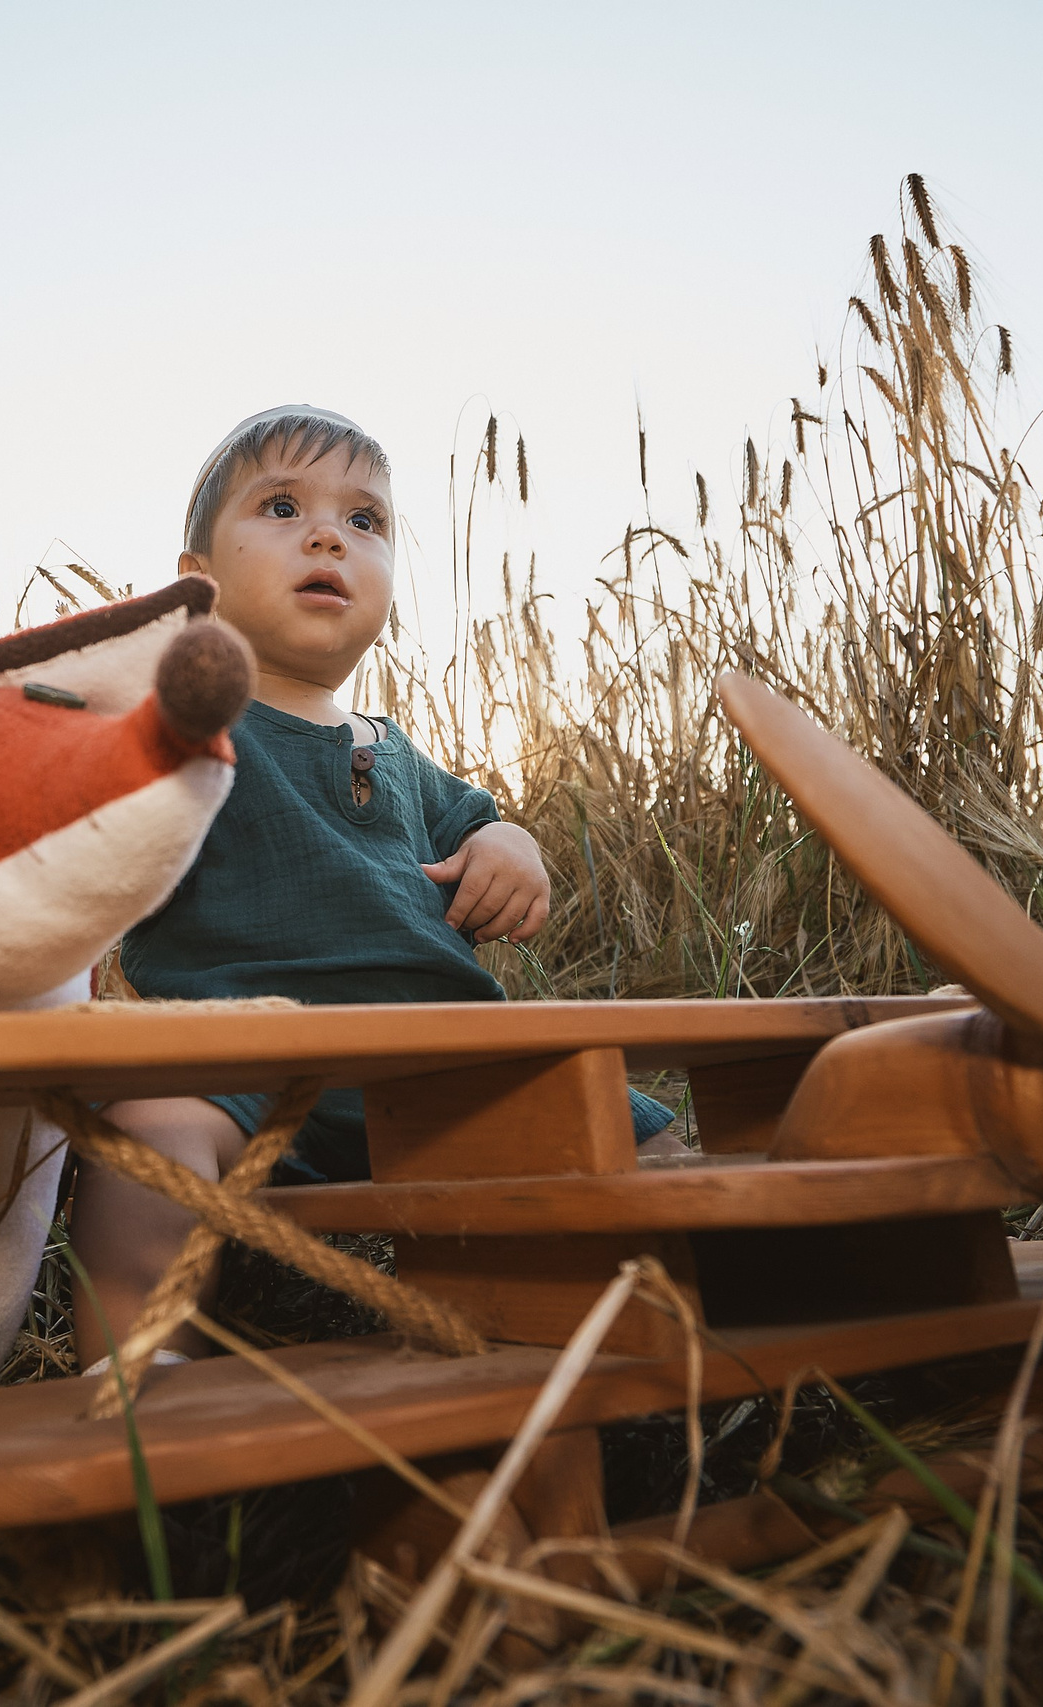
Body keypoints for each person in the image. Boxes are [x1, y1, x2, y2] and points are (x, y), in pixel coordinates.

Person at [68, 406, 677, 1373]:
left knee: (620, 1120)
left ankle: (708, 1282)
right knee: (149, 1133)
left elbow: (475, 824)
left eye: (365, 520)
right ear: (197, 583)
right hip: (247, 1073)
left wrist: (509, 844)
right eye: (282, 507)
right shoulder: (181, 730)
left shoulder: (394, 753)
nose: (328, 536)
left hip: (440, 1065)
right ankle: (140, 1364)